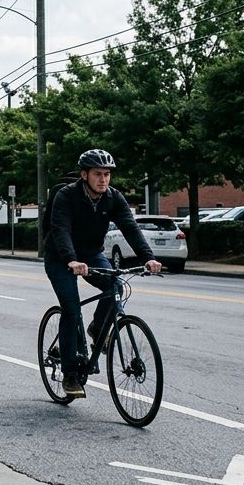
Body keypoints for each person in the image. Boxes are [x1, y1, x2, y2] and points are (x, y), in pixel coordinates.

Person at [44, 149, 161, 399]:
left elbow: (130, 227)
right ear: (84, 175)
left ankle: (98, 329)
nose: (103, 180)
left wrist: (148, 257)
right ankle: (70, 375)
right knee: (72, 309)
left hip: (91, 254)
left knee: (115, 287)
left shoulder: (113, 198)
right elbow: (60, 229)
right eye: (98, 174)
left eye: (107, 174)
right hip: (60, 256)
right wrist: (71, 259)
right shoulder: (66, 196)